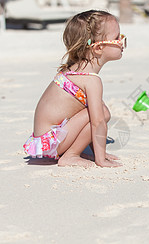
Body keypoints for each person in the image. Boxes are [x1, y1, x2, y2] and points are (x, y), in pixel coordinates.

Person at [23, 10, 125, 168]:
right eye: (117, 38)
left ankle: (73, 152)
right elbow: (97, 122)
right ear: (97, 48)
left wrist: (99, 151)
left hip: (45, 140)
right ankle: (70, 155)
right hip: (52, 143)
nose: (121, 41)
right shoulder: (90, 79)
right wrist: (100, 159)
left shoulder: (74, 69)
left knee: (100, 109)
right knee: (102, 113)